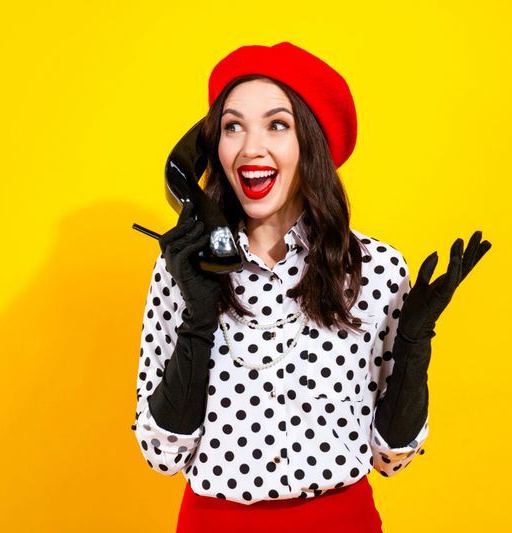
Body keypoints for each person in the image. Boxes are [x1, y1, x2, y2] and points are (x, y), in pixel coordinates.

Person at [131, 42, 491, 532]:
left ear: (311, 145)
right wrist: (199, 316)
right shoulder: (183, 267)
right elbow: (163, 453)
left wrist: (412, 346)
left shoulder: (376, 268)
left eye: (277, 125)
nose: (250, 147)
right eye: (232, 126)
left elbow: (391, 457)